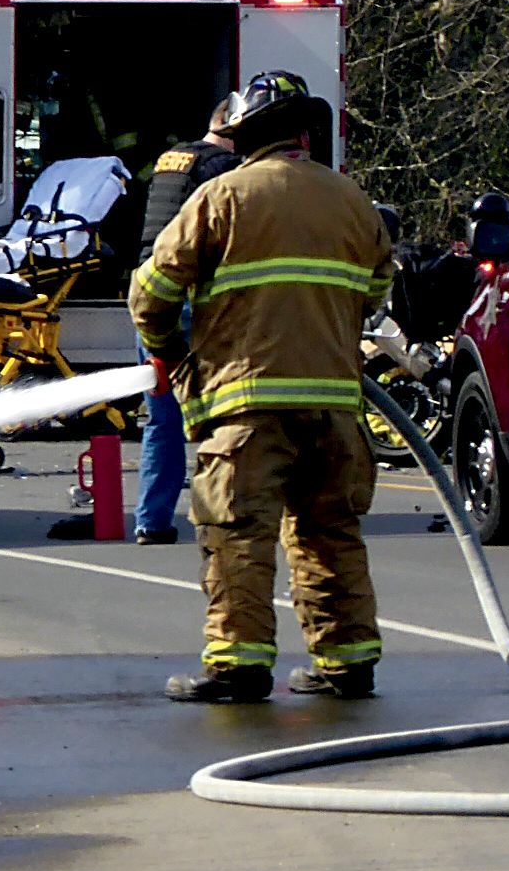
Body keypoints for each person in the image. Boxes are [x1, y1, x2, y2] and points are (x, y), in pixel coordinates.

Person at [131, 70, 396, 703]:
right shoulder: (353, 201)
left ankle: (239, 667)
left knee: (238, 534)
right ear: (303, 133)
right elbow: (378, 291)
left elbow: (152, 291)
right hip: (335, 408)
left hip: (246, 406)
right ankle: (347, 664)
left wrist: (169, 353)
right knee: (329, 533)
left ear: (244, 135)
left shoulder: (221, 198)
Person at [131, 101, 239, 544]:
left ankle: (151, 521)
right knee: (227, 414)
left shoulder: (173, 158)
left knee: (162, 417)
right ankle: (223, 514)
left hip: (151, 295)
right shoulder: (226, 169)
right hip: (194, 300)